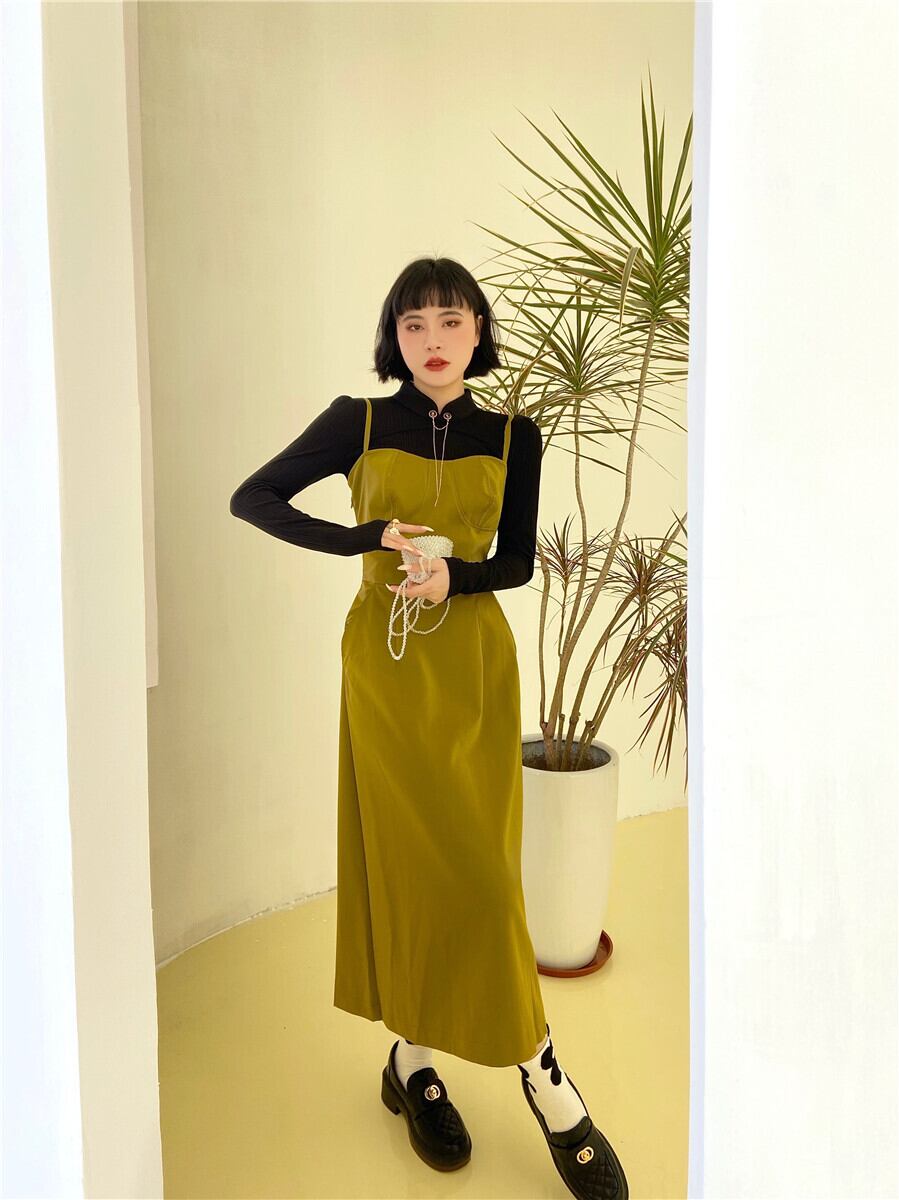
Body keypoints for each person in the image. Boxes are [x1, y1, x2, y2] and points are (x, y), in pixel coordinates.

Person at [230, 256, 628, 1199]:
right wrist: (363, 541)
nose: (433, 340)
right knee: (411, 866)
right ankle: (428, 1063)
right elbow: (255, 498)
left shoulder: (514, 434)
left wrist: (458, 578)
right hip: (386, 670)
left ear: (478, 332)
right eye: (413, 324)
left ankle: (531, 1074)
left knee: (483, 875)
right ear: (394, 338)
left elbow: (517, 561)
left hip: (474, 667)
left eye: (451, 321)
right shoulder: (358, 423)